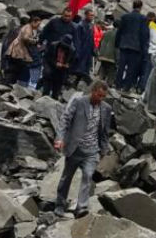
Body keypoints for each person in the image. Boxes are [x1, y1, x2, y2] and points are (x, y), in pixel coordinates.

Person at [54, 81, 112, 219]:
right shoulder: (79, 102)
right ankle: (60, 205)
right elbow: (65, 120)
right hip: (75, 147)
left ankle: (82, 207)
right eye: (99, 95)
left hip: (92, 150)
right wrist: (60, 138)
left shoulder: (106, 108)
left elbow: (104, 131)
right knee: (66, 178)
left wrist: (104, 150)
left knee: (87, 175)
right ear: (93, 91)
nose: (101, 99)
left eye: (103, 96)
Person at [115, 0, 149, 92]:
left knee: (121, 67)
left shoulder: (125, 17)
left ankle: (117, 85)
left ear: (132, 6)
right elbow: (144, 34)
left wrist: (117, 44)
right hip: (136, 47)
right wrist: (144, 49)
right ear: (141, 7)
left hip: (124, 45)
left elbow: (119, 31)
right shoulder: (143, 19)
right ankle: (126, 87)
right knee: (131, 69)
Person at [5, 17, 42, 87]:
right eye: (38, 24)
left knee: (14, 75)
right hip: (21, 58)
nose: (38, 27)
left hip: (15, 57)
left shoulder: (15, 31)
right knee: (21, 77)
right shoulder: (27, 30)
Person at [41, 34, 76, 100]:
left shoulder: (72, 51)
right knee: (46, 92)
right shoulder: (53, 46)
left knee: (56, 93)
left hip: (61, 72)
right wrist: (55, 63)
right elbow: (46, 58)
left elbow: (72, 63)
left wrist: (67, 66)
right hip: (50, 68)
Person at [71, 9, 95, 86]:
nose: (92, 17)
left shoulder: (91, 26)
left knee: (84, 69)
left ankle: (76, 83)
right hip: (81, 51)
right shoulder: (80, 26)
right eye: (90, 15)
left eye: (93, 15)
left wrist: (93, 49)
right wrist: (77, 52)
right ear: (86, 15)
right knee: (79, 69)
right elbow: (77, 40)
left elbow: (91, 39)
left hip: (87, 52)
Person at [97, 20, 118, 86]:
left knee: (102, 69)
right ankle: (108, 86)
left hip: (103, 55)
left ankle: (98, 84)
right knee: (111, 73)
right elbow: (117, 48)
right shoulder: (118, 35)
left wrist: (100, 53)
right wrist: (118, 58)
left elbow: (100, 43)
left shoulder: (106, 32)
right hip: (112, 57)